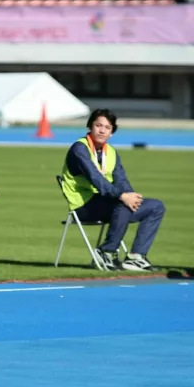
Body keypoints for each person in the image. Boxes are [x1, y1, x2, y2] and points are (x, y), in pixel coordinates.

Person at [60, 108, 166, 271]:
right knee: (121, 204)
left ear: (112, 133)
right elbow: (97, 180)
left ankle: (136, 257)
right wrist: (123, 197)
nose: (102, 130)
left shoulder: (112, 152)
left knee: (156, 206)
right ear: (90, 127)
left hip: (107, 203)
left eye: (107, 127)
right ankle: (106, 252)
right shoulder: (79, 149)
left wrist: (132, 197)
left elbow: (121, 180)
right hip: (83, 206)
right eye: (98, 125)